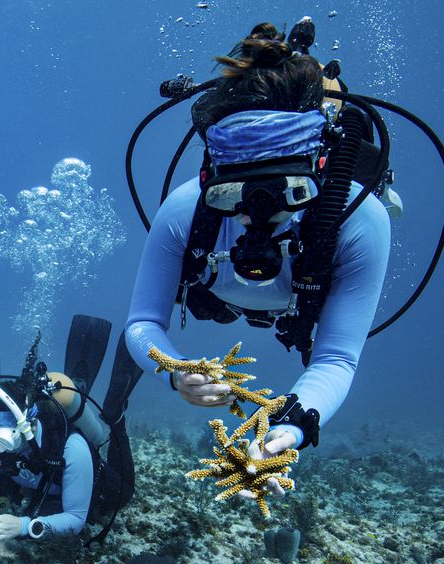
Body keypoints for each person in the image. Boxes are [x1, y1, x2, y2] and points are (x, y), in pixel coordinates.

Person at [124, 22, 391, 504]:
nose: (257, 213)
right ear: (214, 175)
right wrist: (175, 371)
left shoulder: (359, 219)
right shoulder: (185, 211)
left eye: (287, 193)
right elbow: (142, 323)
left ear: (315, 168)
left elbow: (335, 357)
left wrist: (287, 432)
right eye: (232, 195)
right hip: (227, 297)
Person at [0, 315, 142, 546]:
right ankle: (77, 383)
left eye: (6, 441)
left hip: (97, 485)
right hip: (45, 487)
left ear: (25, 426)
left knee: (123, 493)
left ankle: (115, 416)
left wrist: (24, 526)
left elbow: (76, 518)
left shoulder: (71, 447)